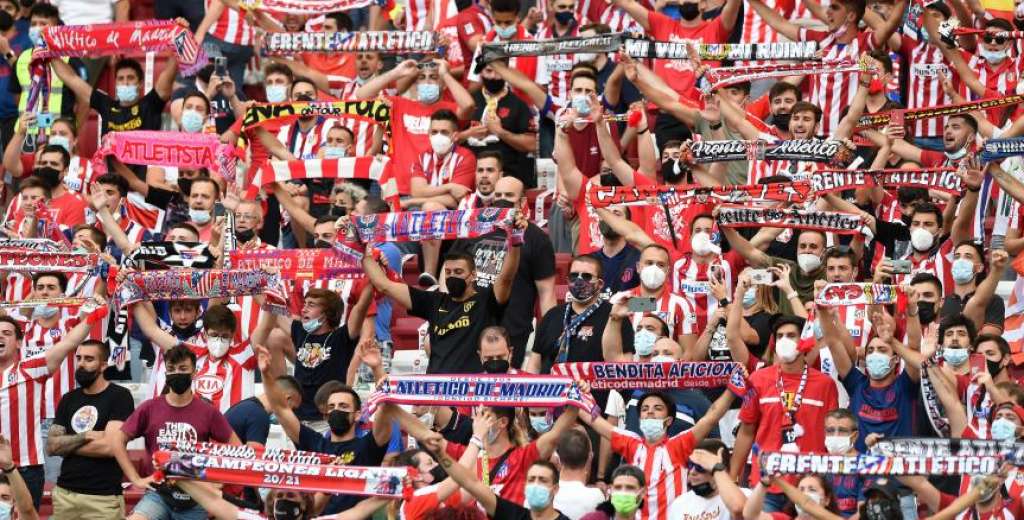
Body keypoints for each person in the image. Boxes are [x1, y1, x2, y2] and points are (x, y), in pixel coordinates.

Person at [362, 212, 525, 374]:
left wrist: (516, 241)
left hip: (473, 388)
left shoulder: (486, 301)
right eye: (448, 272)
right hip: (438, 387)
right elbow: (384, 286)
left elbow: (506, 278)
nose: (452, 276)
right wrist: (364, 251)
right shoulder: (433, 301)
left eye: (459, 271)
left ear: (473, 275)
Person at [258, 345, 394, 516]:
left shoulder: (368, 447)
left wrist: (377, 368)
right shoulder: (314, 443)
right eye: (332, 407)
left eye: (343, 406)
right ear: (325, 415)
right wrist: (265, 374)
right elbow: (281, 409)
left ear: (358, 414)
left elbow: (386, 406)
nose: (336, 410)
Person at [110, 345, 240, 520]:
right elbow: (117, 439)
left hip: (196, 497)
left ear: (194, 372)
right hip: (159, 494)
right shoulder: (150, 407)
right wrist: (136, 479)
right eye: (171, 369)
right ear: (165, 372)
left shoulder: (208, 411)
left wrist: (219, 480)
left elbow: (238, 448)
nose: (177, 373)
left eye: (183, 368)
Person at [47, 339, 134, 520]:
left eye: (88, 359)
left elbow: (110, 447)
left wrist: (68, 443)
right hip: (65, 494)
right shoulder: (68, 398)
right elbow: (51, 446)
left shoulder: (120, 397)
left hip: (102, 499)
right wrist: (86, 435)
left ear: (103, 365)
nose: (81, 364)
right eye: (79, 358)